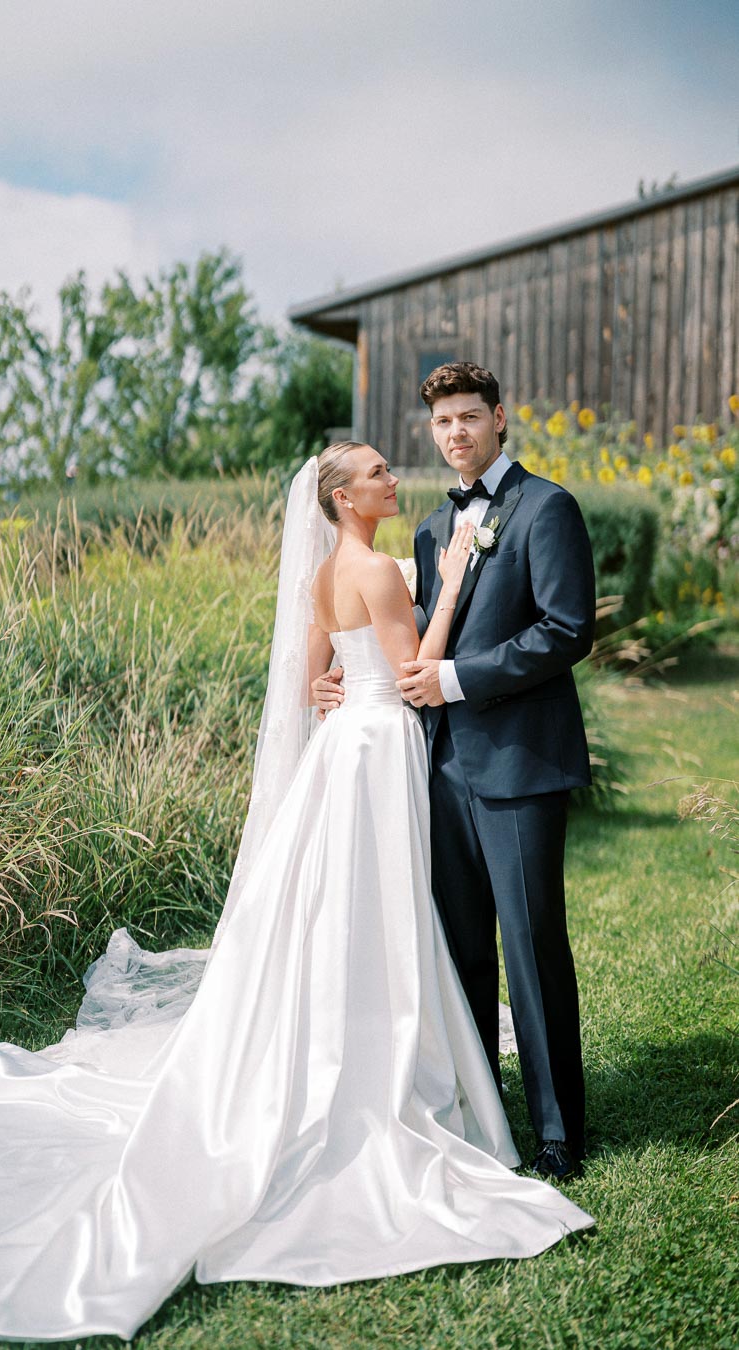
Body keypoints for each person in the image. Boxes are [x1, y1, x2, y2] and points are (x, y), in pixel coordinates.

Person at [0, 449, 591, 1344]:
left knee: (349, 920)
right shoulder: (382, 571)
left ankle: (398, 1052)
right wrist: (457, 584)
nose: (397, 478)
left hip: (347, 749)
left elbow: (317, 675)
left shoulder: (322, 576)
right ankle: (397, 1070)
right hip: (385, 742)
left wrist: (331, 684)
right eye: (379, 473)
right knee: (384, 919)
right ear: (344, 498)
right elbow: (418, 667)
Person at [314, 365, 595, 1182]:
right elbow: (397, 637)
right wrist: (332, 676)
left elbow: (566, 629)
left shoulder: (548, 508)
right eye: (443, 424)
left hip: (519, 764)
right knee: (462, 950)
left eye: (470, 418)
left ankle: (557, 1134)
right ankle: (481, 1110)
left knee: (533, 947)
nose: (456, 434)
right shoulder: (434, 529)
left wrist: (459, 681)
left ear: (500, 419)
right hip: (436, 770)